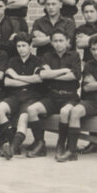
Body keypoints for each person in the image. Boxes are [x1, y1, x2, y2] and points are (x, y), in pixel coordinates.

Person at [28, 30, 81, 160]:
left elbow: (74, 76)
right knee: (32, 110)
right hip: (52, 97)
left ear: (67, 42)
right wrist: (63, 71)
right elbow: (43, 75)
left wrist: (52, 74)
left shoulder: (74, 56)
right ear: (51, 42)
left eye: (61, 40)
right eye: (55, 41)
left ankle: (61, 144)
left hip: (69, 96)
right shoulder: (47, 56)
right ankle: (40, 144)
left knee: (64, 112)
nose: (58, 44)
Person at [0, 34, 45, 160]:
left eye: (24, 46)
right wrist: (30, 80)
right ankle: (14, 144)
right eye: (18, 46)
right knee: (0, 109)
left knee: (23, 118)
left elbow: (39, 79)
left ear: (30, 46)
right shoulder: (12, 60)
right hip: (14, 95)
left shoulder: (38, 61)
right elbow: (7, 82)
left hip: (31, 96)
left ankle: (12, 149)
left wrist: (16, 76)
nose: (21, 49)